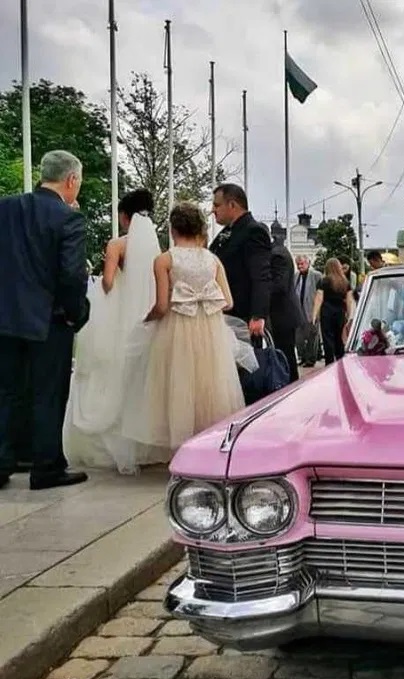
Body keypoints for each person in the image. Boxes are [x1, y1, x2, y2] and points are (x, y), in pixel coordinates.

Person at [0, 150, 89, 490]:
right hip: (48, 321)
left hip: (5, 319)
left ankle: (5, 460)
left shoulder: (5, 208)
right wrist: (75, 313)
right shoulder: (68, 219)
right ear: (71, 180)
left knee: (6, 392)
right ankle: (46, 466)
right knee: (47, 394)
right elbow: (71, 275)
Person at [125, 203, 245, 453]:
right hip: (210, 333)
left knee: (176, 386)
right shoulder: (213, 260)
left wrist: (146, 320)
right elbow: (229, 302)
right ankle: (209, 447)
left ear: (173, 229)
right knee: (210, 388)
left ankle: (179, 449)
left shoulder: (164, 260)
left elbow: (160, 306)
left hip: (176, 332)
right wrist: (204, 304)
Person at [62, 189, 166, 473]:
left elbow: (108, 282)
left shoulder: (117, 245)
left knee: (108, 374)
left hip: (120, 320)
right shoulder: (156, 250)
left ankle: (110, 444)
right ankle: (146, 444)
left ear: (124, 216)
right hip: (143, 321)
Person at [209, 183, 271, 337]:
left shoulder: (254, 231)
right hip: (223, 314)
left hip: (242, 317)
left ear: (232, 205)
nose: (212, 210)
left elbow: (261, 275)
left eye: (217, 205)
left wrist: (258, 315)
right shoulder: (227, 232)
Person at [268, 240, 306, 382]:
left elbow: (280, 285)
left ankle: (290, 387)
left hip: (283, 315)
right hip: (283, 314)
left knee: (286, 356)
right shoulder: (278, 251)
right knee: (286, 354)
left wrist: (260, 291)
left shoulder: (277, 255)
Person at [311, 257, 355, 365]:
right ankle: (340, 361)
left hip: (327, 312)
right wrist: (350, 316)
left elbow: (319, 299)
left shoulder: (323, 281)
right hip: (340, 312)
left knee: (327, 339)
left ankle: (329, 363)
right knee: (339, 338)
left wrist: (314, 315)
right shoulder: (345, 282)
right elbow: (349, 301)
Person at [294, 256, 322, 367]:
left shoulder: (316, 275)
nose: (300, 266)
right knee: (299, 338)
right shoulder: (295, 276)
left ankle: (311, 359)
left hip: (312, 310)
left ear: (308, 263)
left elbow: (320, 294)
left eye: (302, 264)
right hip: (298, 310)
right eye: (298, 264)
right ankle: (302, 357)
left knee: (312, 336)